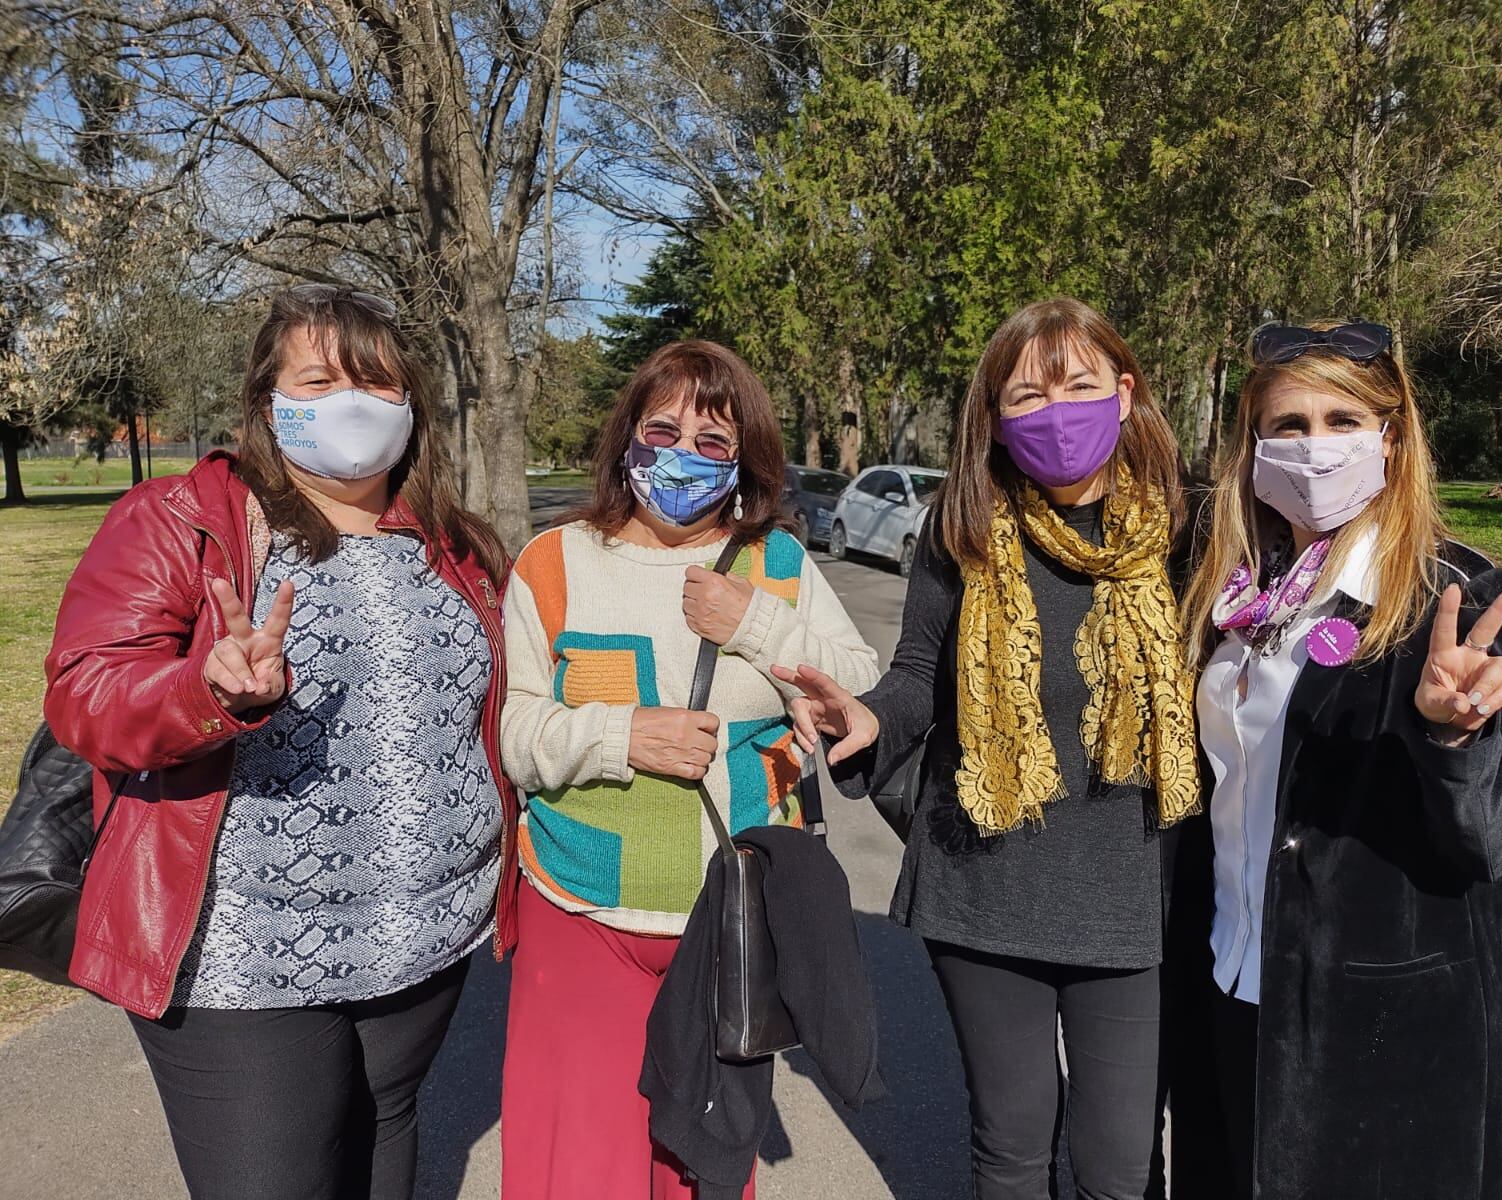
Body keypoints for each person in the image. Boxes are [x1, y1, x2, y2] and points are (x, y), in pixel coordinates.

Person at [43, 284, 516, 1200]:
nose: (352, 403)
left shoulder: (455, 545)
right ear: (268, 400)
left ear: (411, 406)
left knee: (385, 1148)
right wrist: (205, 687)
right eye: (319, 379)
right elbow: (84, 696)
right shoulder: (183, 521)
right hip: (245, 951)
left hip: (423, 939)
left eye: (377, 384)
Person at [781, 297, 1203, 1200]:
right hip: (986, 887)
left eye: (1080, 387)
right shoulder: (961, 525)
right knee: (1010, 1152)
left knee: (1121, 1168)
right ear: (996, 419)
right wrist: (867, 718)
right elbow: (918, 673)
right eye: (1027, 398)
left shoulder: (1187, 529)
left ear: (1125, 394)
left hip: (1135, 898)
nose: (1056, 415)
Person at [497, 339, 880, 1199]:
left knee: (700, 1173)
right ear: (625, 434)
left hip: (728, 925)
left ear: (745, 462)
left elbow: (860, 685)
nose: (681, 456)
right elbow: (515, 733)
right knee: (577, 1172)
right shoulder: (553, 563)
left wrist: (759, 625)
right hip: (579, 910)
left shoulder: (775, 564)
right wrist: (619, 736)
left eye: (713, 443)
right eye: (661, 429)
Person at [1167, 320, 1502, 1200]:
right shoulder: (1235, 592)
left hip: (1377, 1025)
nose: (1316, 446)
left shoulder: (1453, 595)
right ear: (1253, 446)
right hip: (1231, 979)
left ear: (1393, 436)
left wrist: (1455, 739)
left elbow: (1496, 844)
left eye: (1343, 419)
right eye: (1288, 426)